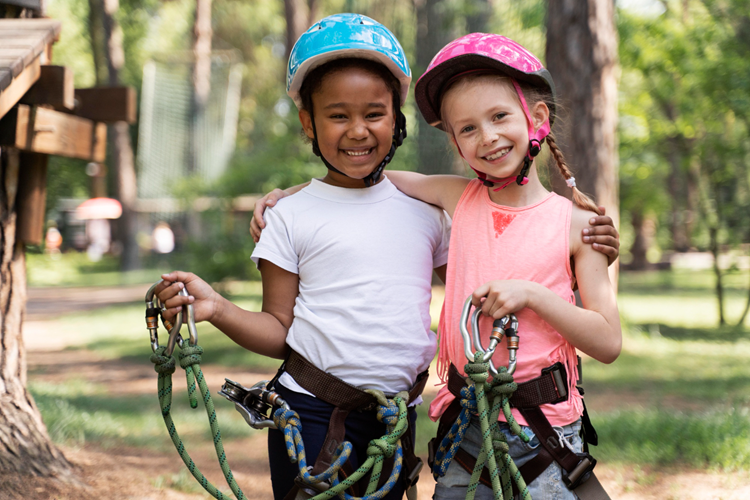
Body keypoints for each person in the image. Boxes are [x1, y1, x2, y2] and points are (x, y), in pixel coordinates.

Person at [252, 32, 622, 500]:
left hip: (544, 429)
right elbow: (357, 185)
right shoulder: (454, 200)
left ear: (538, 119)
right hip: (466, 431)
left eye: (500, 117)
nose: (486, 136)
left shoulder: (578, 225)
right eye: (466, 128)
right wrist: (285, 199)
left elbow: (607, 342)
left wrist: (535, 296)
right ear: (454, 142)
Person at [155, 14, 449, 500]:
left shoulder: (427, 213)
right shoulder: (289, 216)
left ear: (397, 118)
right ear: (308, 123)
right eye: (338, 116)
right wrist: (217, 309)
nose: (358, 130)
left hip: (395, 422)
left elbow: (476, 281)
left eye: (374, 114)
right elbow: (278, 328)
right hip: (311, 413)